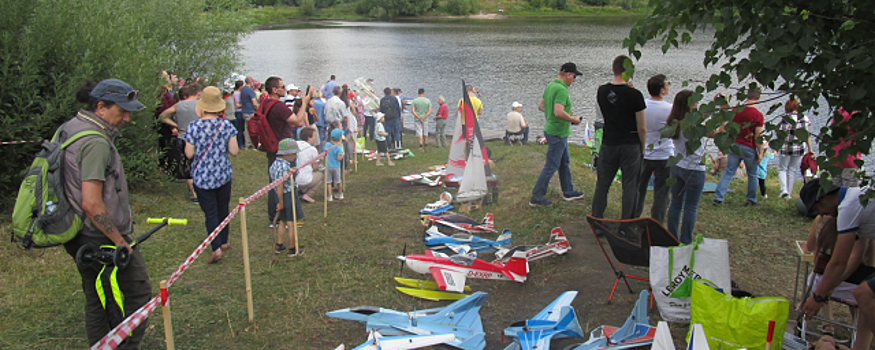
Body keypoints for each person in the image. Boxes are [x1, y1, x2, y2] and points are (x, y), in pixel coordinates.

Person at [62, 79, 149, 349]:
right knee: (138, 294)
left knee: (98, 298)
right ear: (100, 107)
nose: (127, 118)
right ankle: (122, 345)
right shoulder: (95, 142)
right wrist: (119, 241)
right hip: (97, 235)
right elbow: (91, 202)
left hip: (77, 232)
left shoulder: (70, 127)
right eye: (121, 111)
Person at [801, 181, 875, 350]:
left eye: (816, 208)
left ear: (824, 197)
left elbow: (839, 261)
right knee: (866, 297)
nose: (819, 213)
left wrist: (819, 296)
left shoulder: (848, 207)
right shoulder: (856, 197)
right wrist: (830, 287)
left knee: (864, 293)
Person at [183, 86, 239, 263]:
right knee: (224, 207)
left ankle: (215, 247)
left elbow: (189, 154)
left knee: (210, 213)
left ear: (201, 106)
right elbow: (234, 151)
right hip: (222, 174)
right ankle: (223, 241)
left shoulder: (193, 127)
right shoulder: (226, 126)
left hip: (202, 176)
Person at [592, 55, 647, 219]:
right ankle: (627, 223)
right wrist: (643, 148)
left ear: (612, 69)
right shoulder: (635, 95)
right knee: (630, 185)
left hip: (609, 142)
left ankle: (597, 217)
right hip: (630, 144)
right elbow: (642, 127)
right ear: (629, 71)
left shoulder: (602, 91)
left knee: (603, 183)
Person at [804, 213, 875, 335]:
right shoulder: (862, 227)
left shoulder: (821, 220)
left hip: (825, 286)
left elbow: (809, 247)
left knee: (822, 279)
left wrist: (831, 285)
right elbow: (869, 261)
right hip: (855, 289)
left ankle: (828, 321)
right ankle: (857, 326)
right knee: (858, 284)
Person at [529, 62, 586, 207]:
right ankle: (536, 197)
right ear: (568, 75)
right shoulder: (561, 90)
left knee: (564, 162)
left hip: (552, 130)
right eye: (574, 76)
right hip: (557, 133)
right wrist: (573, 119)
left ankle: (568, 191)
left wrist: (562, 112)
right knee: (551, 166)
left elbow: (541, 106)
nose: (574, 80)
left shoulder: (551, 85)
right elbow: (558, 112)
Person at [665, 90, 715, 244]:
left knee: (675, 203)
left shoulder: (674, 121)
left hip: (676, 165)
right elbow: (716, 133)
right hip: (694, 168)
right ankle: (686, 240)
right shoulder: (695, 124)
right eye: (695, 102)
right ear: (690, 104)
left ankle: (672, 237)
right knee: (691, 207)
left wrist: (713, 107)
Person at [263, 77, 310, 227]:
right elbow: (298, 121)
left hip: (271, 145)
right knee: (287, 183)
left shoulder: (265, 104)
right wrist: (304, 103)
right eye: (282, 87)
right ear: (274, 90)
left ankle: (274, 216)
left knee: (275, 182)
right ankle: (287, 215)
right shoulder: (278, 106)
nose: (284, 89)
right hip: (283, 148)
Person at [713, 88, 765, 206]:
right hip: (748, 147)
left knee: (729, 172)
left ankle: (718, 197)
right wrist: (760, 152)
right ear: (759, 98)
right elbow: (758, 136)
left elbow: (727, 125)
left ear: (747, 96)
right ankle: (751, 199)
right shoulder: (758, 115)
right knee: (752, 174)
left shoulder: (736, 110)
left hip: (735, 145)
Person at [635, 74, 673, 223]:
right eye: (667, 84)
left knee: (639, 188)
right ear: (662, 90)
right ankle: (657, 222)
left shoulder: (641, 105)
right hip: (664, 154)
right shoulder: (670, 108)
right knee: (662, 193)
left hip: (644, 153)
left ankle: (634, 216)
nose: (669, 86)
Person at [159, 83, 203, 202]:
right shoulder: (200, 105)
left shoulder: (179, 105)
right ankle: (202, 189)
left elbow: (162, 116)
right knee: (199, 164)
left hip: (183, 137)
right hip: (198, 138)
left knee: (188, 165)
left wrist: (176, 125)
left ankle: (193, 193)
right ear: (198, 94)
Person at [269, 138, 305, 257]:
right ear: (286, 154)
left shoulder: (276, 164)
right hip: (287, 195)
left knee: (282, 221)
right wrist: (281, 202)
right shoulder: (283, 167)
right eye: (294, 153)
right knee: (291, 223)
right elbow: (280, 186)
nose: (295, 155)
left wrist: (290, 171)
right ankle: (292, 248)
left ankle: (279, 245)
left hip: (280, 195)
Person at [777, 98, 814, 199]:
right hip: (799, 148)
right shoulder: (805, 118)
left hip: (785, 146)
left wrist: (776, 146)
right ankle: (788, 193)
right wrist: (810, 149)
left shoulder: (785, 118)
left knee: (782, 168)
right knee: (792, 170)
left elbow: (781, 134)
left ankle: (783, 190)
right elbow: (807, 135)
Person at [830, 108, 862, 187]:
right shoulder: (855, 114)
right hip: (850, 159)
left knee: (836, 193)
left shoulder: (838, 112)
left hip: (835, 158)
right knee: (851, 194)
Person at [295, 127, 323, 203]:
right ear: (308, 138)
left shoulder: (294, 144)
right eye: (314, 136)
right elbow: (315, 168)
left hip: (291, 179)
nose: (315, 138)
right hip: (304, 180)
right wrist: (320, 161)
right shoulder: (312, 149)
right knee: (321, 176)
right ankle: (308, 195)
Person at [325, 129, 346, 200]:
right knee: (338, 181)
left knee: (328, 182)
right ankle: (340, 194)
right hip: (336, 167)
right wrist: (342, 155)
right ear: (339, 138)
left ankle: (330, 196)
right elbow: (339, 158)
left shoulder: (327, 145)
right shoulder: (338, 148)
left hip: (328, 166)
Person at [240, 77, 259, 148]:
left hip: (244, 111)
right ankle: (254, 144)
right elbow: (254, 102)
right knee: (253, 129)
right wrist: (257, 110)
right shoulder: (250, 90)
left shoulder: (243, 90)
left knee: (246, 128)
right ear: (251, 82)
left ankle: (247, 144)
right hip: (250, 111)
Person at [232, 80, 245, 148]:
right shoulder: (237, 93)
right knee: (240, 129)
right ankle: (240, 144)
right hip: (239, 111)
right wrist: (245, 103)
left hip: (238, 112)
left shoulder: (235, 93)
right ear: (240, 86)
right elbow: (237, 105)